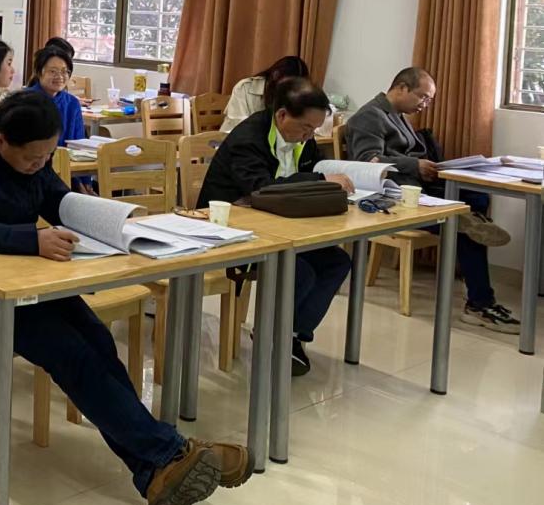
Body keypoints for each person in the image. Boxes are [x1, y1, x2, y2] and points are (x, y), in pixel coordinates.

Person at [0, 93, 252, 505]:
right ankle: (170, 452)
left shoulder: (35, 158)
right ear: (1, 141)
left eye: (47, 156)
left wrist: (102, 217)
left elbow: (54, 198)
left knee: (97, 338)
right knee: (68, 350)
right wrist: (30, 240)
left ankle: (156, 468)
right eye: (32, 158)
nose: (40, 165)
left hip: (27, 285)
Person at [198, 77, 354, 376]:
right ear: (282, 115)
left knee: (337, 262)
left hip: (281, 226)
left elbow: (302, 176)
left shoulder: (303, 140)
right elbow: (262, 189)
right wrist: (319, 182)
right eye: (305, 128)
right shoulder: (248, 139)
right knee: (299, 270)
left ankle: (291, 334)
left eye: (314, 129)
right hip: (231, 231)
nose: (309, 136)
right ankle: (273, 336)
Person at [346, 67, 519, 333]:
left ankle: (472, 224)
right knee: (461, 228)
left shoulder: (397, 115)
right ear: (401, 88)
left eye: (429, 100)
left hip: (416, 186)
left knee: (476, 197)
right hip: (393, 195)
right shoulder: (369, 116)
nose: (425, 105)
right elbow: (366, 162)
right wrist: (414, 165)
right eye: (423, 97)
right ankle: (480, 304)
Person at [221, 55, 310, 132]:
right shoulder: (245, 88)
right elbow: (238, 127)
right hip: (238, 141)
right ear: (276, 76)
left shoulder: (298, 94)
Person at [27, 44, 85, 146]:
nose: (59, 76)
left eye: (64, 71)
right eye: (53, 71)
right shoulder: (25, 100)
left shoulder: (72, 103)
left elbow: (79, 143)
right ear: (39, 72)